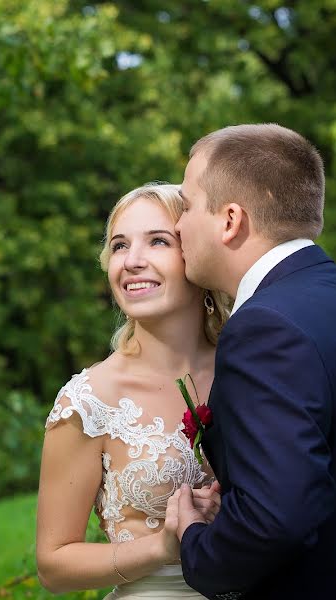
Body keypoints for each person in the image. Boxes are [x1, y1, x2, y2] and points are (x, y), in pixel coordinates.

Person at [169, 123, 336, 599]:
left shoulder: (265, 327)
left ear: (230, 220)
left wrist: (195, 540)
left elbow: (277, 517)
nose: (177, 225)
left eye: (186, 205)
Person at [36, 183, 229, 599]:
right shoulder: (89, 401)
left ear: (196, 254)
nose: (132, 262)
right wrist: (163, 547)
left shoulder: (252, 369)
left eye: (158, 241)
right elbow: (54, 565)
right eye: (119, 246)